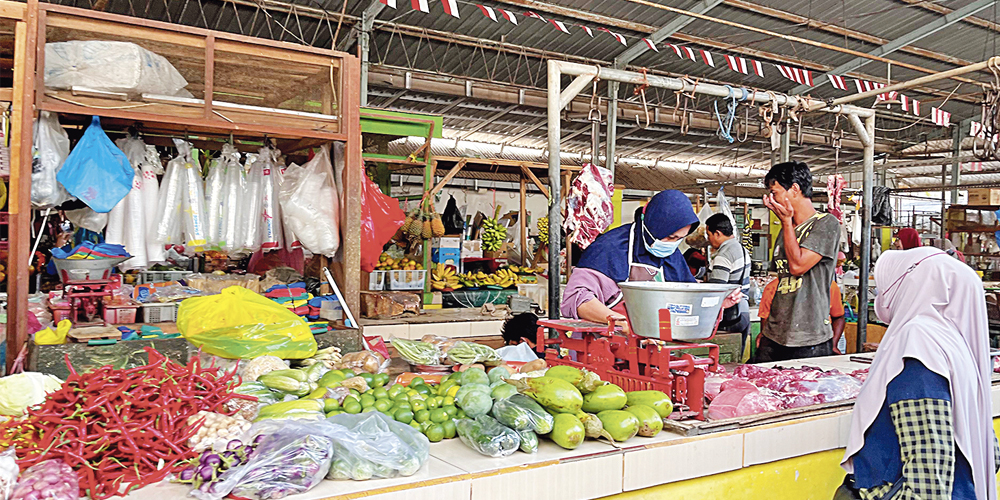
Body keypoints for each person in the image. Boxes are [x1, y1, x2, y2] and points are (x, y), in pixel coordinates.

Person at [838, 247, 999, 500]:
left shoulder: (918, 346)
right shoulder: (953, 342)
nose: (881, 296)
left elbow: (929, 483)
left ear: (909, 286)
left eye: (884, 288)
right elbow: (991, 451)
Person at [561, 189, 742, 325]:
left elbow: (685, 301)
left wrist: (717, 301)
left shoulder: (672, 256)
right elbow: (576, 299)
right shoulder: (610, 248)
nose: (672, 244)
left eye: (679, 239)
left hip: (653, 346)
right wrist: (621, 323)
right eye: (670, 237)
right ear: (654, 226)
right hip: (603, 347)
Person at [757, 161, 840, 362]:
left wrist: (786, 222)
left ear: (794, 189)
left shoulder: (826, 224)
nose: (772, 199)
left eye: (775, 192)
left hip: (808, 336)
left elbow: (797, 266)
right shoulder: (787, 230)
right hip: (775, 334)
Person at [758, 278, 846, 355]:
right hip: (779, 344)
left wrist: (833, 345)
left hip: (818, 345)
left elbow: (838, 317)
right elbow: (765, 320)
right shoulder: (774, 286)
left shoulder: (828, 285)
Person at [705, 213, 752, 357]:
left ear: (717, 233)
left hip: (729, 315)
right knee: (736, 359)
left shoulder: (724, 254)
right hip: (743, 311)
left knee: (720, 360)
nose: (708, 239)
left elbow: (716, 288)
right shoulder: (741, 249)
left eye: (709, 235)